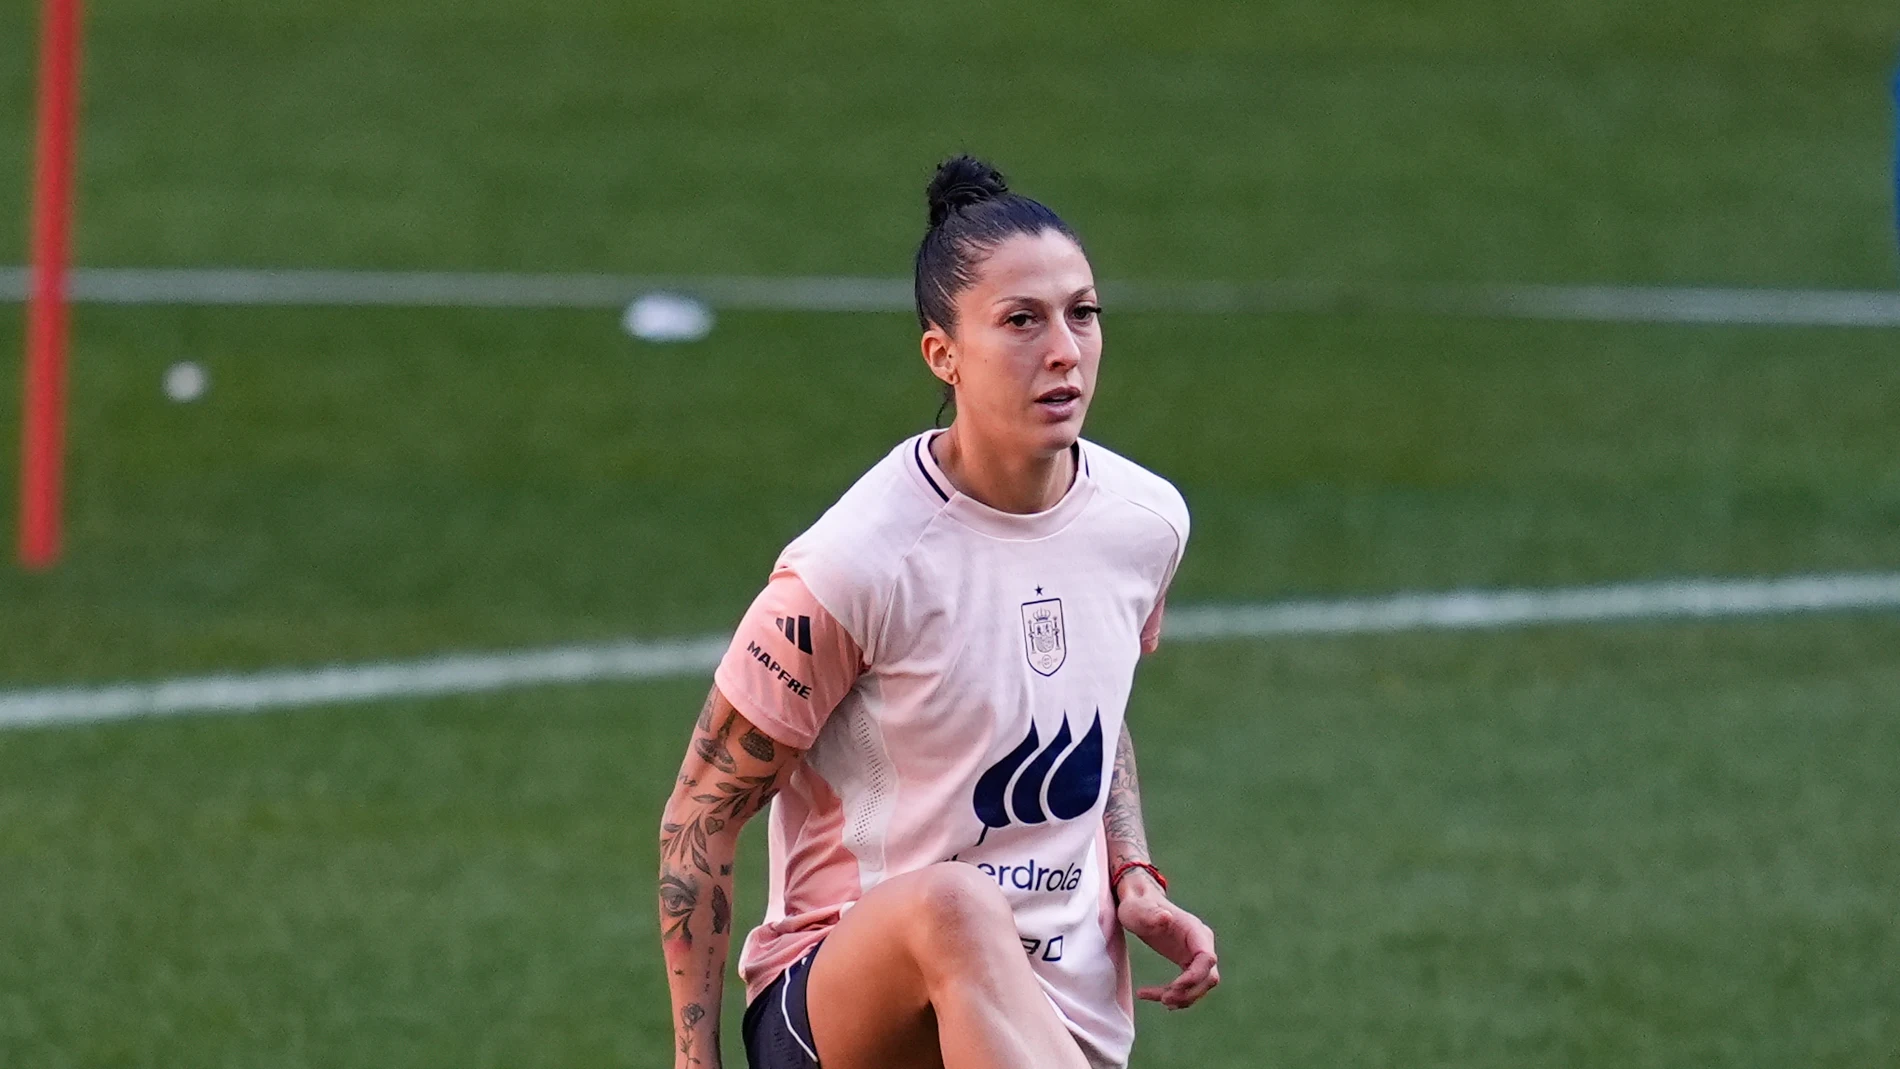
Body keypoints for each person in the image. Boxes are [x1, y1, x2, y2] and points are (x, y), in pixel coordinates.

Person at [658, 155, 1219, 1069]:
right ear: (942, 354)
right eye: (1021, 322)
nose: (1064, 350)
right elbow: (700, 814)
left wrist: (1134, 873)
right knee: (953, 904)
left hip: (1056, 1011)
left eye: (1083, 313)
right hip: (846, 1004)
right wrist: (696, 1060)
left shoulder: (1144, 523)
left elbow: (1095, 707)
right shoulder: (858, 565)